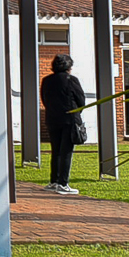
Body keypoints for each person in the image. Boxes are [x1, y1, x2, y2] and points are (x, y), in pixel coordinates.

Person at [40, 53, 86, 195]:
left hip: (52, 119)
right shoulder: (71, 80)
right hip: (69, 119)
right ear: (68, 67)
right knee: (66, 151)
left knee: (56, 151)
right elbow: (81, 100)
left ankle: (54, 181)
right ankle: (63, 183)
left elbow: (44, 99)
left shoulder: (46, 80)